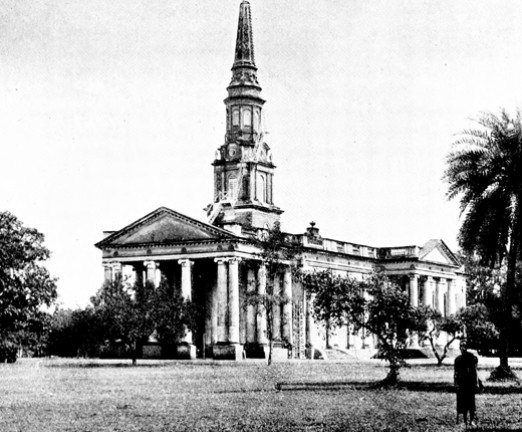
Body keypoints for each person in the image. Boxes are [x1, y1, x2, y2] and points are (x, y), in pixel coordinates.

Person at [454, 339, 480, 426]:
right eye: (461, 346)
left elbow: (475, 371)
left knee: (471, 402)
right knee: (463, 401)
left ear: (467, 347)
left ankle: (472, 420)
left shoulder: (471, 357)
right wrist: (456, 383)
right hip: (462, 383)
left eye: (464, 346)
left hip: (470, 382)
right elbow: (456, 373)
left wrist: (476, 382)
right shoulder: (457, 360)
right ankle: (465, 420)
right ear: (459, 348)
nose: (463, 348)